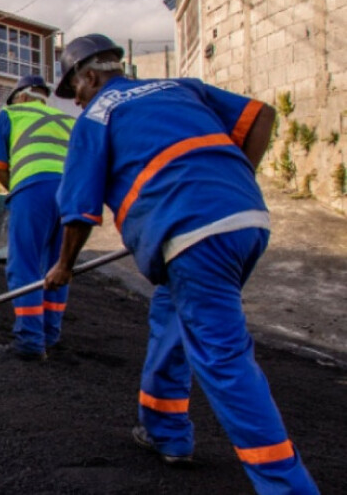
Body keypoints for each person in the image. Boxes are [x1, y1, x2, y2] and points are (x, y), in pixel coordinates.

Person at [43, 34, 318, 494]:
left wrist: (64, 267)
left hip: (194, 236)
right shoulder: (179, 86)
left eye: (76, 89)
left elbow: (78, 212)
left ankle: (287, 487)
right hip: (245, 218)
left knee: (222, 357)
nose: (76, 100)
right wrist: (227, 183)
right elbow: (261, 116)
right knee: (171, 315)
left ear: (89, 76)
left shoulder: (97, 116)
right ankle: (165, 430)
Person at [0, 74, 76, 361]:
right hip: (71, 196)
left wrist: (19, 190)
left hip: (33, 190)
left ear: (21, 96)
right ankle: (50, 335)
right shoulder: (68, 121)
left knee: (24, 264)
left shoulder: (10, 114)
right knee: (58, 266)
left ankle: (29, 343)